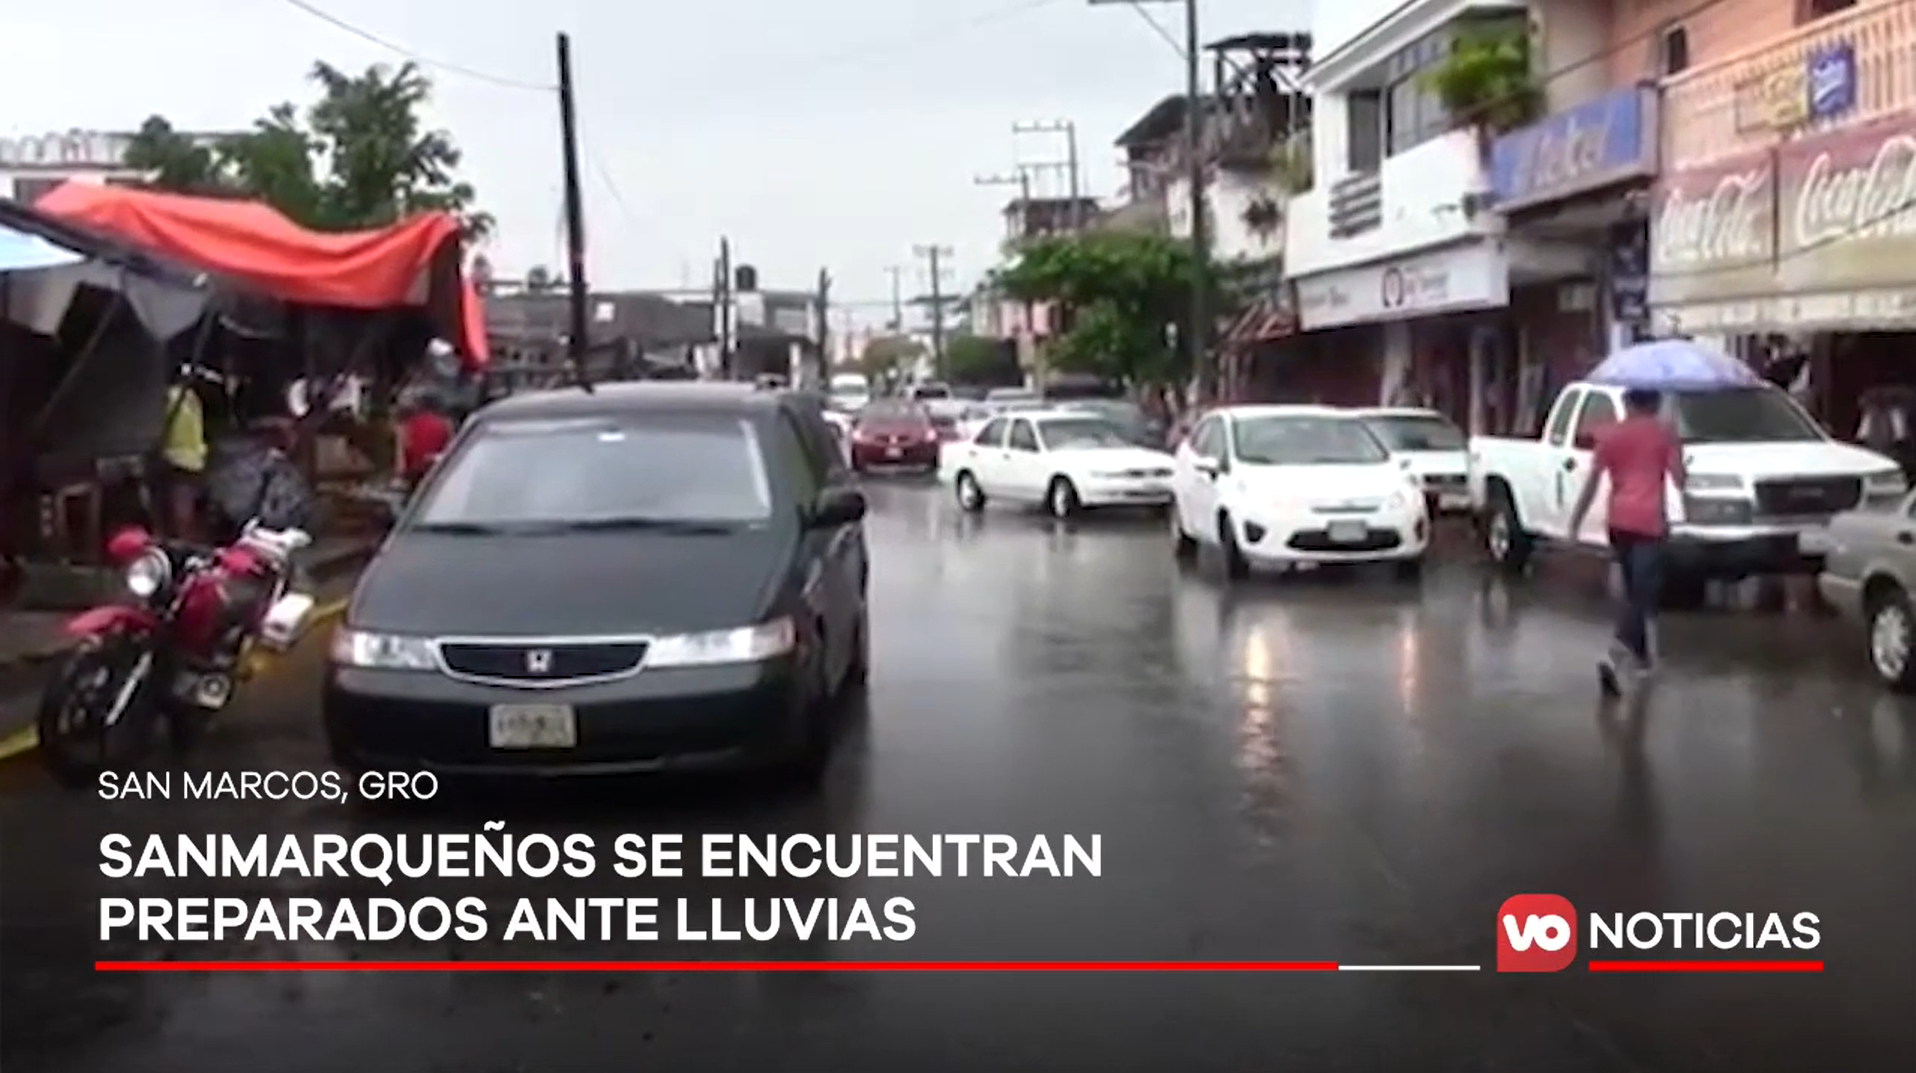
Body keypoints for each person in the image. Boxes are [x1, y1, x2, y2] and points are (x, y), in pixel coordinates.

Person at [1566, 387, 1686, 695]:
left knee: (1635, 591)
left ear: (1629, 404)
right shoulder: (1664, 434)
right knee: (1642, 596)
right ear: (1656, 404)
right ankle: (1614, 654)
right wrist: (1677, 449)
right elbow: (1679, 479)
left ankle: (1644, 661)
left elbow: (1592, 483)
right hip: (1649, 523)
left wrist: (1575, 523)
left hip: (1618, 522)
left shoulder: (1610, 435)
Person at [158, 378, 207, 540]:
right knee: (186, 513)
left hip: (177, 461)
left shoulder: (166, 397)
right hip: (195, 460)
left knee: (180, 515)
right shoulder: (189, 395)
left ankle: (182, 547)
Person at [396, 394, 453, 487]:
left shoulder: (407, 426)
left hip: (416, 476)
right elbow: (450, 451)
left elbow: (401, 465)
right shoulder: (446, 425)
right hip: (438, 473)